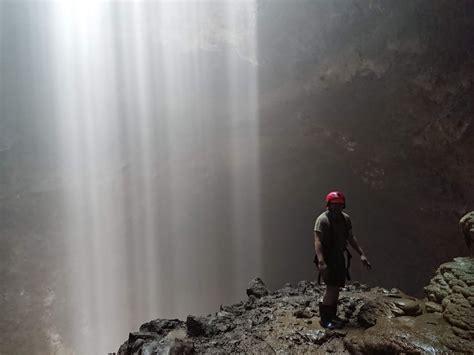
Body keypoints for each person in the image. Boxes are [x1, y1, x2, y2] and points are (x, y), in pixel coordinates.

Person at [313, 191, 371, 329]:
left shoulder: (345, 219)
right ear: (329, 205)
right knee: (331, 287)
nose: (337, 207)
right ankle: (325, 319)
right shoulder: (323, 220)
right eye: (334, 204)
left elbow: (351, 238)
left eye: (340, 204)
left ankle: (332, 316)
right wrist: (321, 261)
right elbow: (318, 241)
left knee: (337, 286)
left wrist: (361, 254)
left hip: (339, 255)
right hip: (327, 256)